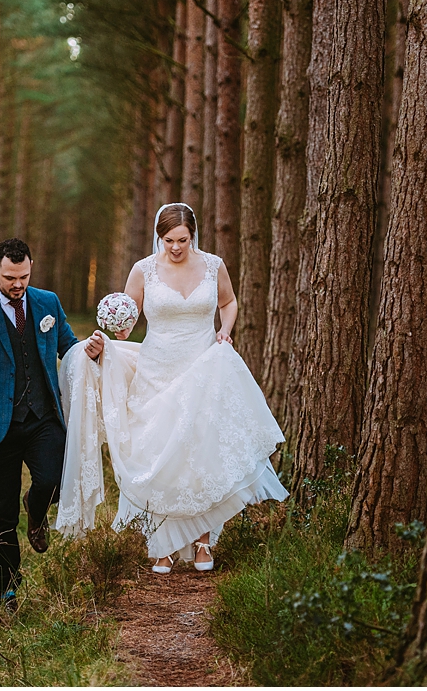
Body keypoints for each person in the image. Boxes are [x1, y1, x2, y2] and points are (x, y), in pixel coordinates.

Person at [56, 204, 288, 574]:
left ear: (192, 235)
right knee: (159, 454)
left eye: (182, 240)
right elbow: (127, 323)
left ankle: (202, 542)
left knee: (201, 452)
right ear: (158, 236)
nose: (176, 248)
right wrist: (113, 333)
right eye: (169, 241)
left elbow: (228, 302)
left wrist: (225, 330)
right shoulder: (144, 269)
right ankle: (161, 542)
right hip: (157, 369)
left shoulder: (213, 265)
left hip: (202, 366)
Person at [0, 238, 105, 614]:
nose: (18, 285)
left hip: (42, 417)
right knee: (1, 513)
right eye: (11, 277)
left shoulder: (47, 302)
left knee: (53, 479)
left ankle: (36, 504)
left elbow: (69, 348)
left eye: (25, 276)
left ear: (32, 267)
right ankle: (6, 591)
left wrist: (89, 350)